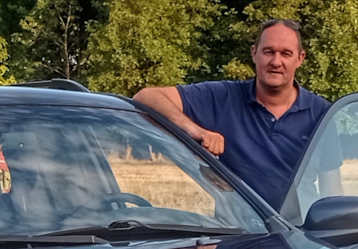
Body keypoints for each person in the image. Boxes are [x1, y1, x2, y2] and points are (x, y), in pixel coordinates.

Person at [134, 19, 329, 208]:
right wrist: (196, 131)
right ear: (254, 53)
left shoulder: (322, 113)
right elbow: (145, 97)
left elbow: (332, 187)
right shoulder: (222, 97)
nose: (276, 62)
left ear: (300, 58)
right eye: (268, 52)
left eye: (286, 54)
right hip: (239, 227)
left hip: (300, 228)